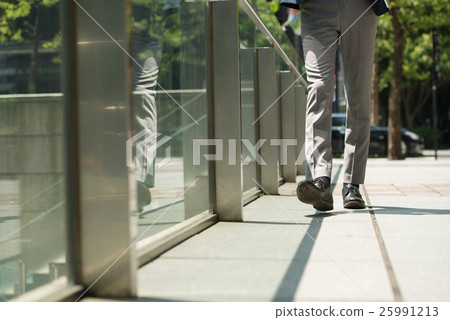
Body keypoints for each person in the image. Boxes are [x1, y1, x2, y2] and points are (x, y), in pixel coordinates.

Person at [280, 0, 384, 211]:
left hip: (361, 6)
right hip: (317, 6)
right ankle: (320, 180)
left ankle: (351, 184)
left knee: (359, 93)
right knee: (318, 86)